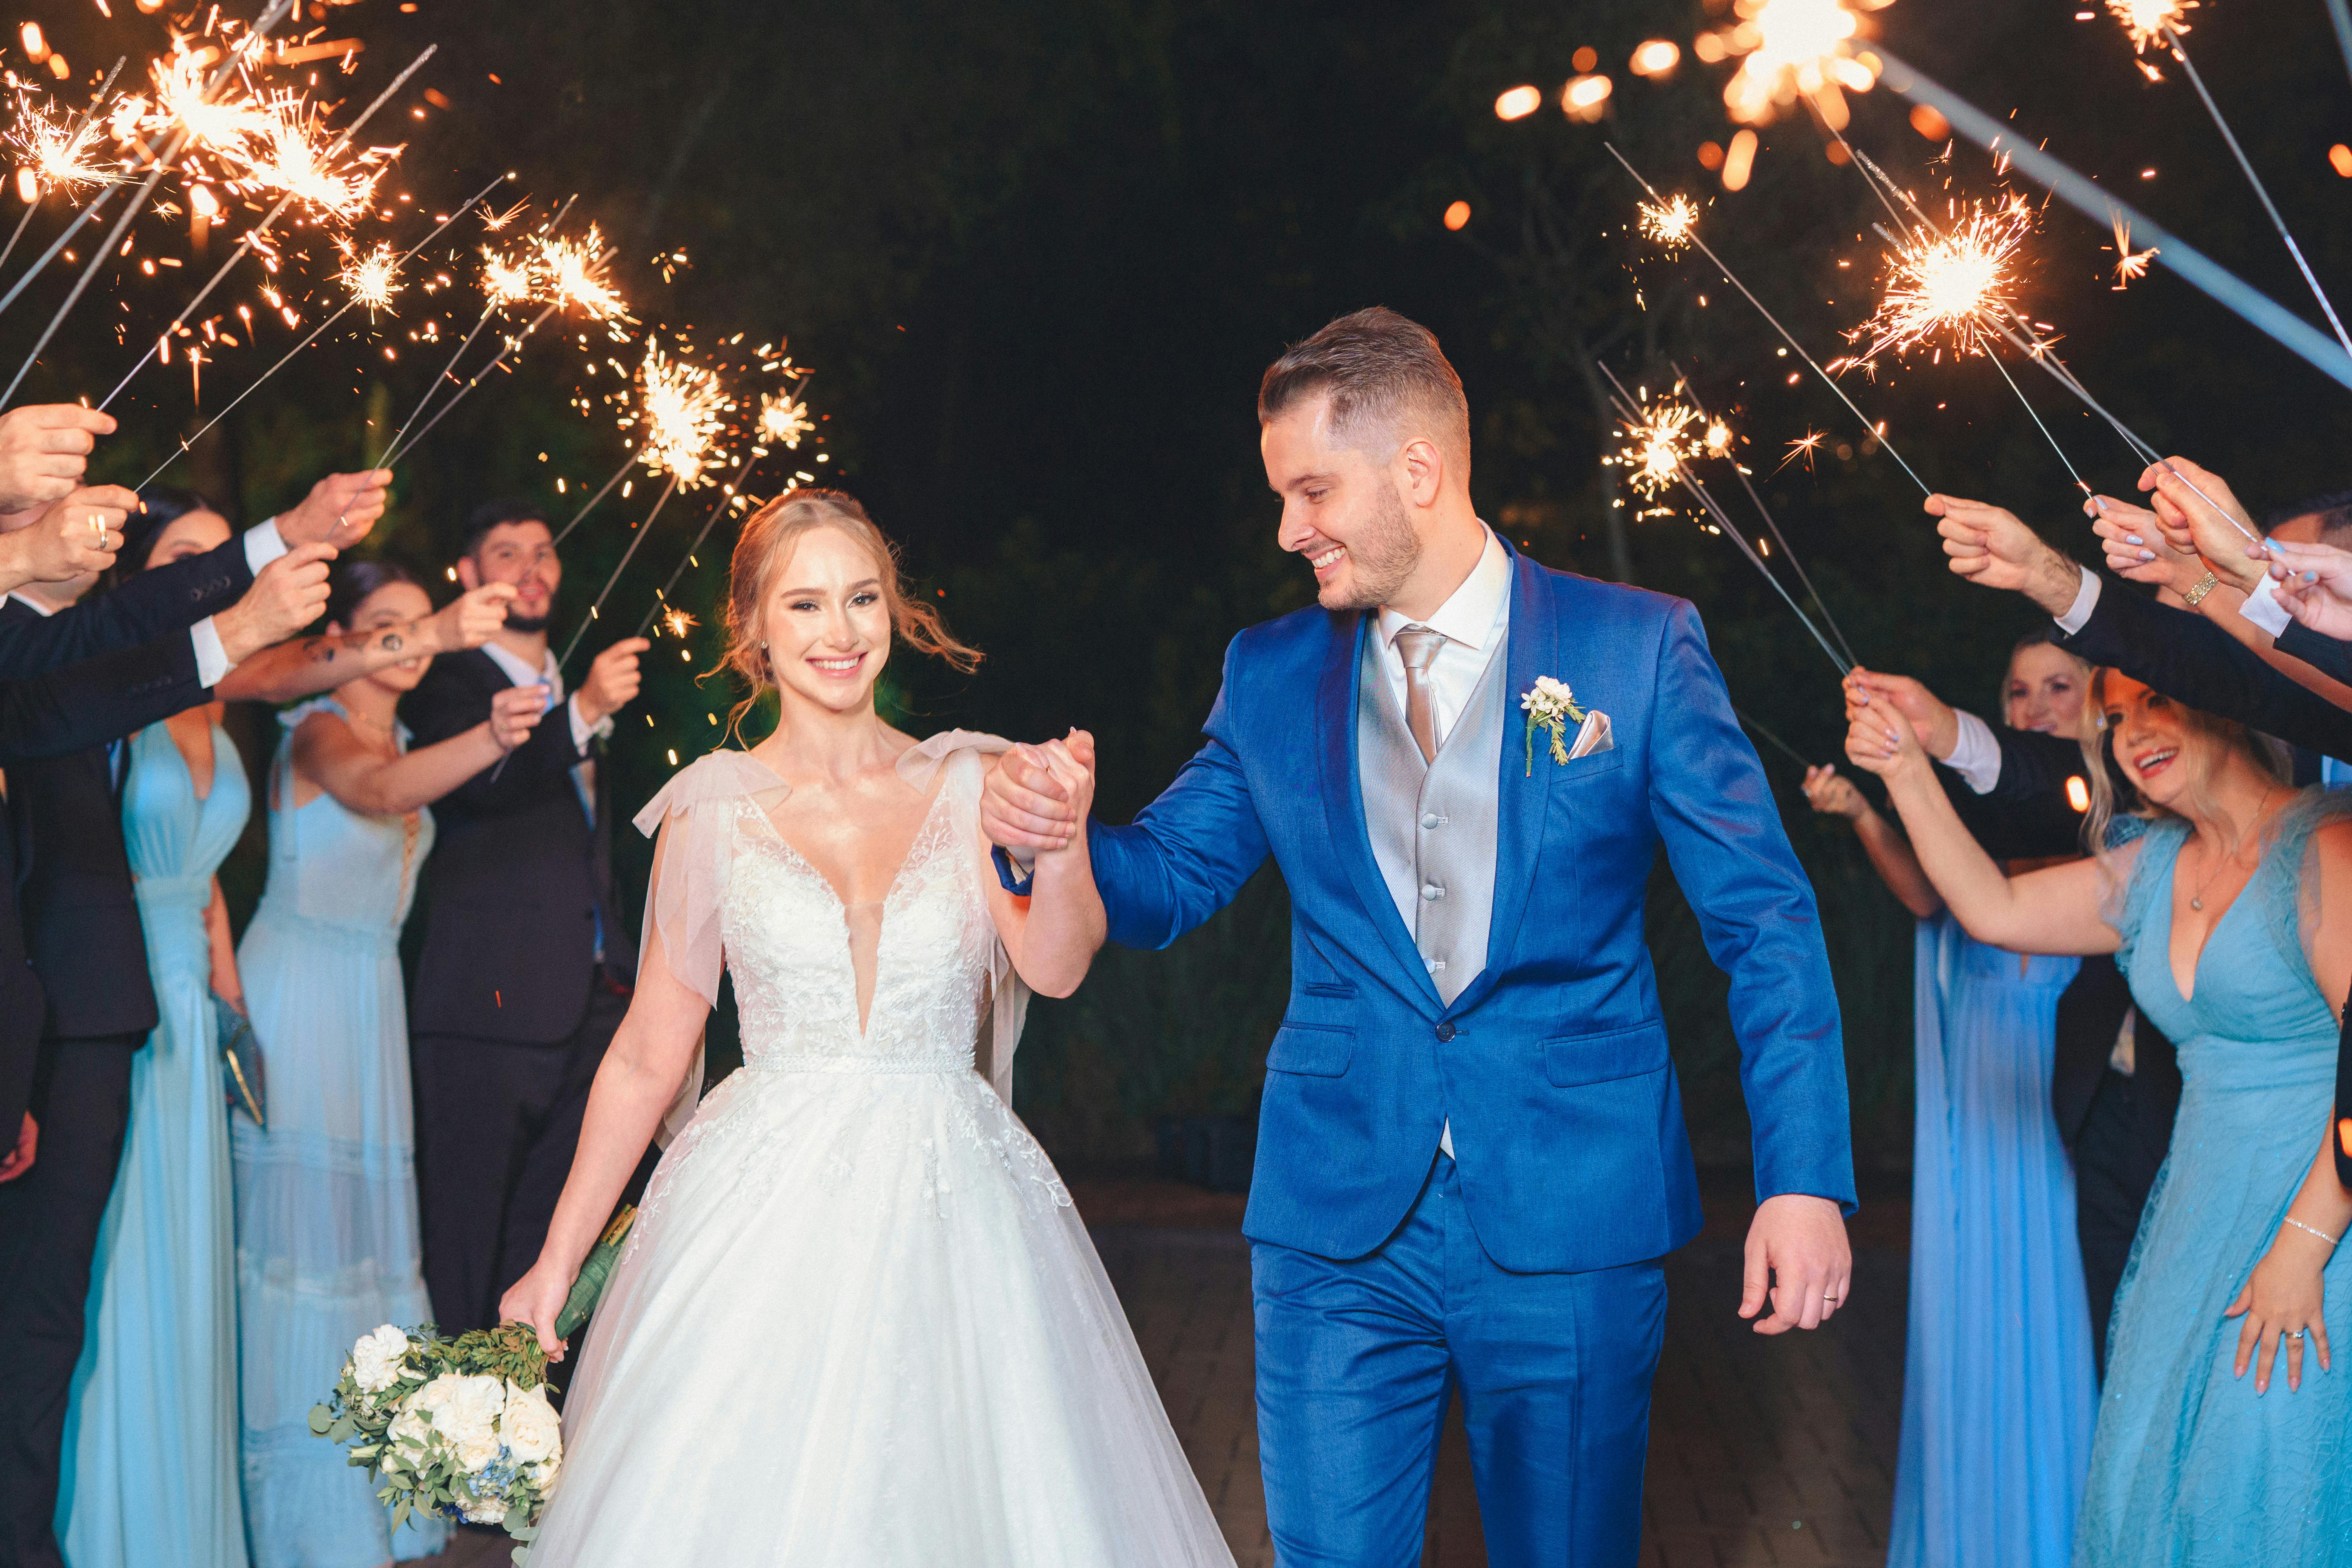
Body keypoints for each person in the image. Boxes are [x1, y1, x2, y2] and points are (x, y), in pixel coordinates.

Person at [982, 308, 1855, 1564]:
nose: (1291, 527)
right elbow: (1169, 876)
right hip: (1337, 1221)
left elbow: (1764, 923)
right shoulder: (1274, 671)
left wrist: (1806, 1179)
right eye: (1285, 494)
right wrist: (1057, 828)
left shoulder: (1635, 648)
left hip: (1575, 1213)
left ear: (1419, 473)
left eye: (1313, 489)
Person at [501, 490, 1236, 1565]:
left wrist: (1068, 839)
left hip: (958, 1201)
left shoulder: (976, 781)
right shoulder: (708, 812)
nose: (839, 633)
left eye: (861, 599)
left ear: (895, 610)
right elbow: (650, 1057)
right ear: (754, 627)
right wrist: (554, 1265)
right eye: (805, 605)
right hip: (757, 1208)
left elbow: (1056, 965)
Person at [1846, 670, 2352, 1565]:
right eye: (2117, 716)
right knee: (2146, 1479)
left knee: (2262, 1479)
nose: (2132, 732)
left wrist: (2302, 1249)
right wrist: (1906, 771)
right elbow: (1994, 909)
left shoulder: (2329, 846)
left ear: (2232, 698)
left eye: (2158, 698)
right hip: (2195, 1223)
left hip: (2319, 1220)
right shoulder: (2152, 863)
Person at [0, 462, 385, 1568]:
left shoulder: (75, 644)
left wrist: (281, 543)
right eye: (41, 506)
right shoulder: (52, 648)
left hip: (94, 1017)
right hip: (51, 1016)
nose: (86, 531)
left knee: (45, 1328)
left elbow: (114, 662)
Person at [234, 561, 544, 1568]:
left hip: (369, 1002)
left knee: (367, 1251)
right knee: (306, 1248)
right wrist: (492, 735)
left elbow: (404, 772)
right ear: (345, 635)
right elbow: (379, 792)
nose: (409, 644)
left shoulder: (407, 733)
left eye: (422, 627)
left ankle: (383, 1496)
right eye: (388, 627)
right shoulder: (320, 729)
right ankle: (300, 1518)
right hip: (298, 997)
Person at [1805, 635, 2096, 1568]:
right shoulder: (1987, 814)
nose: (2038, 703)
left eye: (2060, 685)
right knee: (1975, 1310)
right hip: (1978, 1083)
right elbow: (1935, 896)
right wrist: (1865, 805)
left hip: (2063, 1100)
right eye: (2020, 689)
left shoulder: (2120, 824)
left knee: (2064, 1313)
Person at [53, 491, 256, 1568]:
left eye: (223, 559)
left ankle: (191, 1530)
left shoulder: (213, 695)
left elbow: (208, 879)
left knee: (191, 1265)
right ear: (134, 574)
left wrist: (232, 1002)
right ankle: (115, 1530)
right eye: (187, 557)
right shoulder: (106, 695)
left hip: (193, 1009)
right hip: (115, 1000)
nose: (208, 574)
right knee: (122, 1261)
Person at [402, 499, 648, 1333]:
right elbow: (478, 788)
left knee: (551, 1250)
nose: (531, 567)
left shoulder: (567, 687)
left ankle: (526, 1439)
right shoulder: (444, 682)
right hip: (485, 1011)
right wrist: (579, 714)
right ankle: (452, 1442)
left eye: (544, 551)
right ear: (469, 577)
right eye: (506, 553)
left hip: (591, 1006)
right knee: (467, 1248)